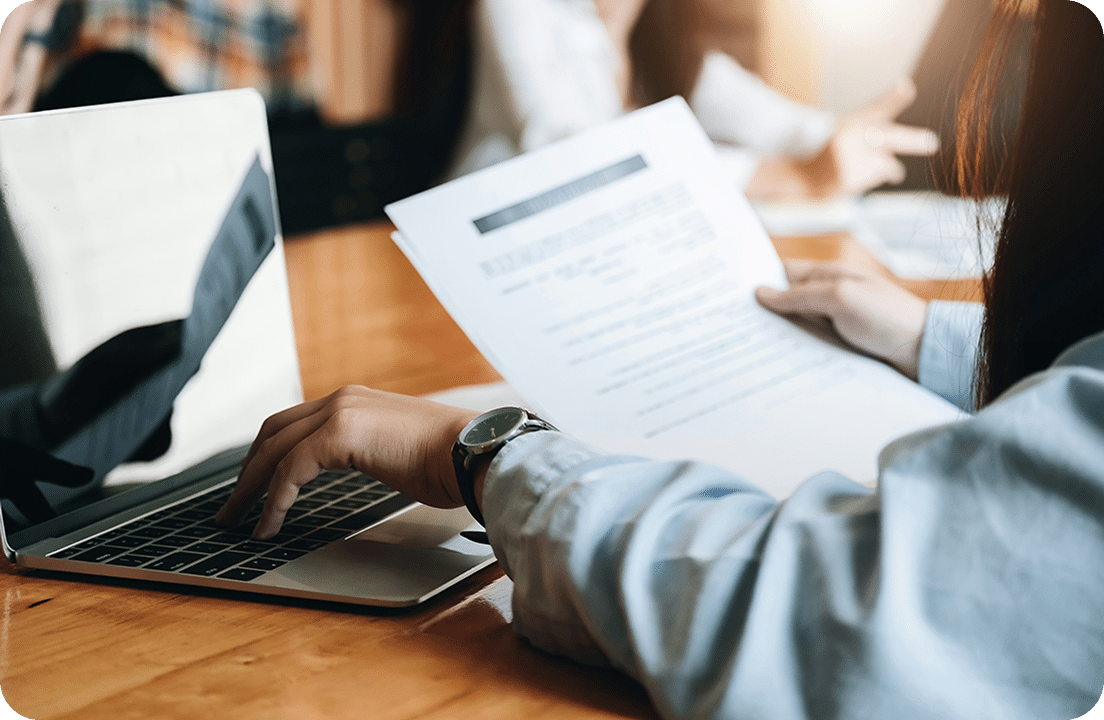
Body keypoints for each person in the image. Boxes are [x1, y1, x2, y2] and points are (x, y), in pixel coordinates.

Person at [216, 1, 1104, 718]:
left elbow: (829, 624)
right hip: (470, 282)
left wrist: (488, 449)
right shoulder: (528, 15)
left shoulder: (672, 35)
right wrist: (931, 342)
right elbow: (562, 137)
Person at [446, 0, 940, 202]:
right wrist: (790, 177)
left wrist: (842, 136)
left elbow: (772, 120)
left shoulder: (662, 39)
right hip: (485, 235)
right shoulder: (516, 8)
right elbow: (568, 153)